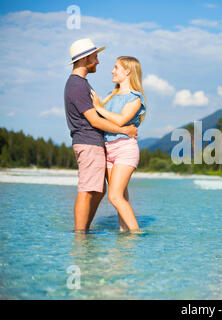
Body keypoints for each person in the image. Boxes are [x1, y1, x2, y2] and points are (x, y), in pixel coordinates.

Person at [64, 38, 138, 233]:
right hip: (88, 143)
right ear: (85, 58)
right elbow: (95, 121)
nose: (98, 61)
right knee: (88, 191)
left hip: (94, 143)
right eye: (95, 57)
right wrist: (125, 130)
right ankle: (80, 235)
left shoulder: (81, 84)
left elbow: (99, 115)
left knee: (98, 190)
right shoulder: (78, 85)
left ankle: (84, 232)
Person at [90, 56, 147, 233]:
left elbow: (122, 120)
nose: (112, 71)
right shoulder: (110, 96)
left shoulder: (135, 98)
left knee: (114, 196)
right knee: (121, 195)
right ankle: (124, 232)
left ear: (127, 71)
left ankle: (137, 234)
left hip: (125, 149)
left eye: (116, 68)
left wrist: (98, 108)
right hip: (108, 150)